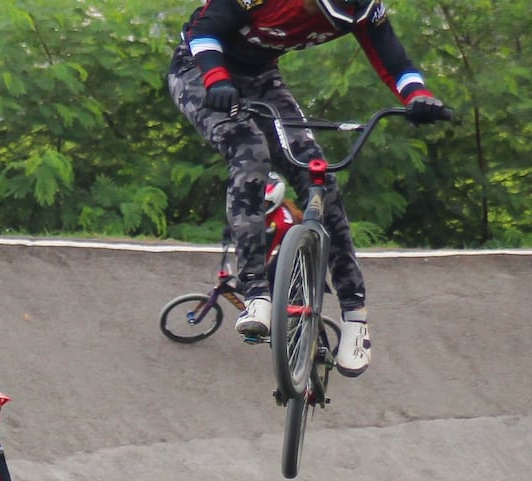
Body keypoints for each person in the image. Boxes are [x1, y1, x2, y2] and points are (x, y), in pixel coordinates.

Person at [167, 0, 452, 376]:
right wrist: (217, 80)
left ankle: (355, 317)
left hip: (261, 77)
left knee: (319, 176)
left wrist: (418, 97)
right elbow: (204, 31)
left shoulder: (366, 9)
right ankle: (256, 294)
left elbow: (394, 61)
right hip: (200, 67)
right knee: (250, 155)